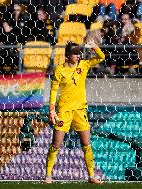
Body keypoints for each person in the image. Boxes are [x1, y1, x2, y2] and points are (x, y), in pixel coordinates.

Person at [45, 40, 105, 184]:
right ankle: (48, 175)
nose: (78, 56)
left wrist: (94, 47)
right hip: (64, 112)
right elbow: (53, 91)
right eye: (75, 53)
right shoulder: (59, 70)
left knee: (86, 144)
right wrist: (52, 110)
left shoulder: (83, 65)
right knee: (56, 144)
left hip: (80, 110)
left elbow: (101, 57)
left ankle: (91, 176)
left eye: (79, 53)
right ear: (67, 56)